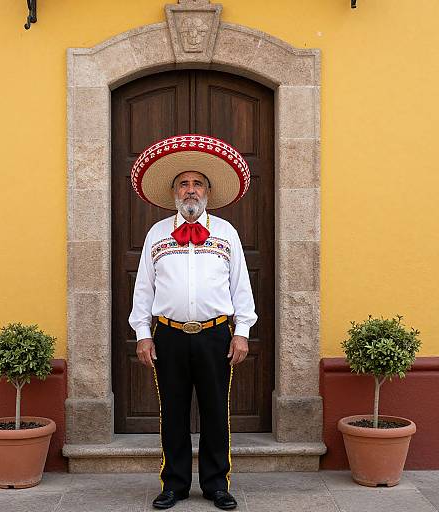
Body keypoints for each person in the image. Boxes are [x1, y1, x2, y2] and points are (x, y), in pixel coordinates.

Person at [128, 134, 257, 510]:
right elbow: (143, 289)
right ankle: (175, 484)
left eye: (197, 183)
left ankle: (217, 485)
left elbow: (241, 286)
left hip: (216, 334)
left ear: (208, 193)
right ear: (174, 193)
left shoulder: (226, 234)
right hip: (167, 335)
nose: (190, 190)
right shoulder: (156, 235)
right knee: (173, 411)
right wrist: (142, 335)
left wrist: (242, 333)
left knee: (216, 410)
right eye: (183, 183)